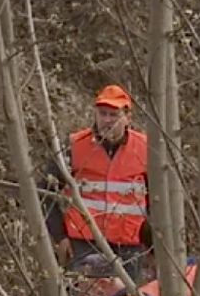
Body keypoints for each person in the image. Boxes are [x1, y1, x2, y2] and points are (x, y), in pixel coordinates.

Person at [46, 84, 153, 270]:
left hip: (129, 246)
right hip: (83, 244)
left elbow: (158, 201)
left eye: (114, 115)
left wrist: (151, 245)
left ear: (127, 118)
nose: (107, 120)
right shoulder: (75, 146)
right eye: (102, 114)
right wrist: (60, 237)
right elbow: (46, 191)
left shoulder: (145, 149)